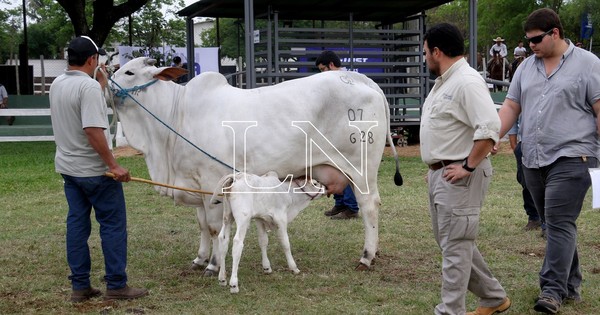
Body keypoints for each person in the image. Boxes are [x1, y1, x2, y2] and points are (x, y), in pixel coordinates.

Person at [497, 8, 600, 314]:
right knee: (556, 224)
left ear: (555, 33)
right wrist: (492, 137)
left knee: (557, 221)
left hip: (574, 156)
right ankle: (571, 284)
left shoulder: (589, 64)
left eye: (536, 40)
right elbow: (511, 106)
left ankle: (551, 291)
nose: (531, 46)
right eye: (527, 41)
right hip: (532, 158)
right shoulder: (526, 67)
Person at [49, 36, 148, 303]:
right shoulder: (88, 89)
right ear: (92, 60)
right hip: (96, 173)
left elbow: (78, 105)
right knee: (113, 226)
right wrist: (114, 165)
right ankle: (116, 285)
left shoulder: (58, 83)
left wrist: (99, 84)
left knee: (77, 226)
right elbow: (92, 130)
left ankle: (80, 287)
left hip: (69, 170)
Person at [420, 23, 510, 315]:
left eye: (425, 53)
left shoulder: (467, 82)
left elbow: (490, 127)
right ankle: (494, 297)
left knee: (456, 246)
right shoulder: (445, 81)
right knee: (453, 242)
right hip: (443, 173)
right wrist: (435, 165)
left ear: (437, 51)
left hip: (460, 176)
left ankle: (450, 311)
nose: (424, 59)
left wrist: (468, 166)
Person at [314, 50, 359, 220]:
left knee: (344, 169)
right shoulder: (344, 79)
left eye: (323, 69)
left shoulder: (346, 80)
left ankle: (351, 207)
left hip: (345, 131)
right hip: (335, 131)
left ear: (331, 65)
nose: (322, 74)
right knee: (333, 167)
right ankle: (340, 203)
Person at [507, 117, 543, 232]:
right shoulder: (523, 98)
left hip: (551, 145)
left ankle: (548, 223)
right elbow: (513, 119)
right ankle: (534, 217)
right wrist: (515, 146)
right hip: (526, 145)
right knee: (527, 182)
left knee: (550, 183)